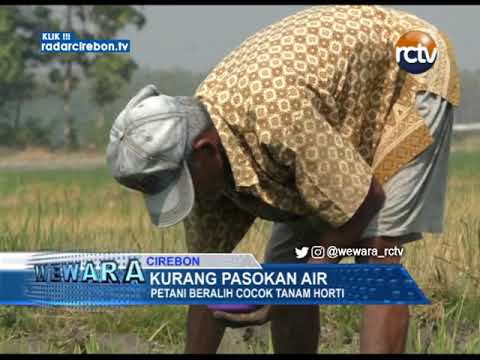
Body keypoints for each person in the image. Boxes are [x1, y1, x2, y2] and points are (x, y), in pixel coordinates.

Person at [106, 5, 460, 354]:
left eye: (182, 185)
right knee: (284, 269)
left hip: (410, 66)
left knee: (376, 252)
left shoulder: (277, 121)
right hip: (332, 112)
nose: (187, 196)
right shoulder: (201, 152)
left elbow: (366, 201)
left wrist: (294, 289)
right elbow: (207, 280)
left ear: (206, 151)